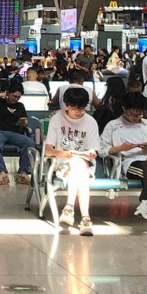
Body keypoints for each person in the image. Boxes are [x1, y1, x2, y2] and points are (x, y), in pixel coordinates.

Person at [101, 91, 147, 237]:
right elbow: (102, 150)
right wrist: (120, 148)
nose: (135, 118)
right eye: (132, 114)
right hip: (129, 163)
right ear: (124, 109)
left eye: (139, 114)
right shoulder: (113, 126)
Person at [44, 86, 100, 235]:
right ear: (66, 105)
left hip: (84, 164)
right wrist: (65, 153)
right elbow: (48, 150)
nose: (78, 112)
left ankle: (69, 208)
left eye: (81, 108)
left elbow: (93, 151)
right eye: (74, 108)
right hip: (62, 163)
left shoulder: (91, 122)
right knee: (78, 168)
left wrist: (90, 154)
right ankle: (85, 219)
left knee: (78, 164)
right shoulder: (57, 119)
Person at [0, 81, 36, 186]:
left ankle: (23, 173)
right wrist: (4, 94)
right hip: (0, 131)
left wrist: (23, 123)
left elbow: (25, 120)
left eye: (18, 97)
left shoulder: (20, 106)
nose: (16, 99)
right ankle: (1, 172)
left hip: (15, 132)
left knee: (29, 143)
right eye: (14, 96)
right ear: (8, 93)